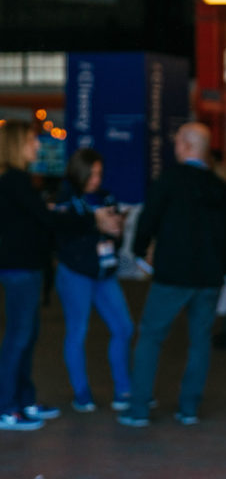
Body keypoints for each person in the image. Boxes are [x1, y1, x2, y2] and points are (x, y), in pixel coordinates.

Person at [0, 120, 120, 431]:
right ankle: (7, 407)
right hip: (20, 269)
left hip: (27, 268)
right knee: (19, 337)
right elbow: (46, 220)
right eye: (31, 140)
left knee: (27, 336)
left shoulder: (21, 181)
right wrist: (90, 221)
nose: (38, 145)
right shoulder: (14, 181)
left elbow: (41, 220)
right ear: (16, 145)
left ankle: (23, 400)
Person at [118, 123, 226, 427]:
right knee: (200, 341)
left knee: (151, 337)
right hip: (209, 278)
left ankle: (139, 409)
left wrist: (141, 253)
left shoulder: (168, 180)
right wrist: (222, 269)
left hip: (172, 275)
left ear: (185, 145)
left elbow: (148, 221)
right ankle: (189, 409)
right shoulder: (221, 189)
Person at [54, 148, 134, 413]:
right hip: (76, 272)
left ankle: (123, 389)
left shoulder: (105, 197)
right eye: (92, 173)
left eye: (99, 173)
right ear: (80, 171)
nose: (96, 179)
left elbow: (115, 237)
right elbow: (63, 229)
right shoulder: (66, 196)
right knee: (78, 330)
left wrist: (116, 229)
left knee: (123, 327)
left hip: (104, 271)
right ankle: (81, 392)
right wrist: (94, 224)